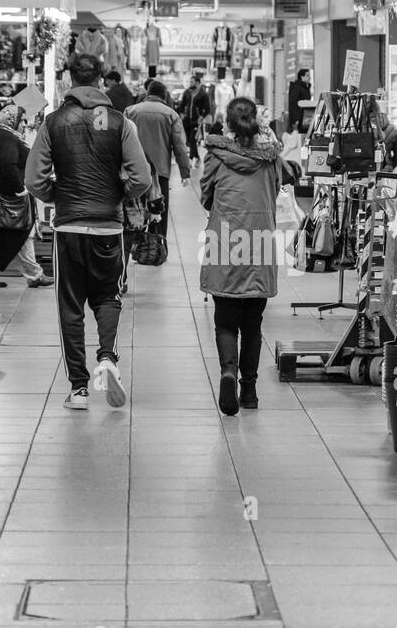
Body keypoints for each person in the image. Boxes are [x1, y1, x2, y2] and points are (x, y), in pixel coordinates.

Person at [25, 53, 152, 411]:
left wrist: (59, 195)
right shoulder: (120, 122)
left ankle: (79, 389)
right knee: (108, 296)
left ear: (68, 78)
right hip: (109, 228)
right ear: (101, 80)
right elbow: (141, 178)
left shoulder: (53, 122)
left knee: (70, 307)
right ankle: (108, 358)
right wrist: (118, 194)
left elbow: (33, 180)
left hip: (68, 229)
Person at [199, 97, 301, 416]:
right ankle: (250, 390)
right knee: (253, 323)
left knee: (225, 319)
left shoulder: (216, 155)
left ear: (227, 124)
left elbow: (206, 196)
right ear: (258, 124)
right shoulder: (271, 159)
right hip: (258, 240)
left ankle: (227, 371)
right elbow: (276, 191)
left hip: (225, 239)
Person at [0, 104, 52, 288]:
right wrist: (19, 189)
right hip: (9, 197)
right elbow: (8, 165)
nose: (23, 125)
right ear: (12, 120)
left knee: (10, 235)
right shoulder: (7, 139)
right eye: (21, 121)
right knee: (20, 232)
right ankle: (34, 275)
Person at [124, 79, 192, 238]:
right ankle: (156, 245)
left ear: (148, 93)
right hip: (160, 171)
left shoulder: (130, 111)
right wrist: (185, 172)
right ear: (164, 96)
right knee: (158, 209)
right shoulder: (171, 114)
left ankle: (135, 244)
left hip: (134, 170)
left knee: (134, 208)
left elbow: (120, 141)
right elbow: (180, 146)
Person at [178, 74, 212, 163]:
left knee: (193, 139)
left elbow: (207, 108)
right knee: (189, 140)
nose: (190, 83)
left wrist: (202, 117)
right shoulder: (187, 92)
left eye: (192, 82)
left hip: (196, 120)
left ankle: (191, 158)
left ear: (197, 83)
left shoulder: (203, 94)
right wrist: (181, 114)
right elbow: (181, 105)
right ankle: (196, 156)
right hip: (186, 120)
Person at [287, 68, 312, 134]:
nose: (310, 78)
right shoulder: (296, 88)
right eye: (307, 76)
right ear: (301, 77)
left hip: (304, 118)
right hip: (298, 120)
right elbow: (293, 104)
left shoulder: (305, 87)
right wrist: (296, 120)